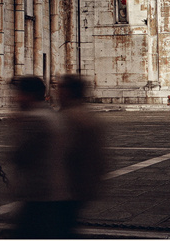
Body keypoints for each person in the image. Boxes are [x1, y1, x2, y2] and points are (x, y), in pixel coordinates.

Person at [8, 76, 68, 238]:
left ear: (29, 95)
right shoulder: (51, 114)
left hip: (39, 194)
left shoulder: (35, 119)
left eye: (19, 93)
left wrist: (18, 124)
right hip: (52, 192)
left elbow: (21, 155)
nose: (16, 98)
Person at [57, 75, 106, 237]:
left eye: (60, 88)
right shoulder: (83, 115)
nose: (56, 91)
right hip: (77, 188)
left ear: (68, 91)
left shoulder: (70, 117)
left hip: (65, 188)